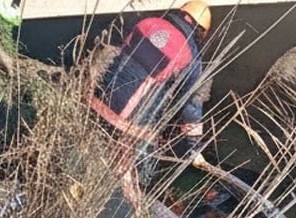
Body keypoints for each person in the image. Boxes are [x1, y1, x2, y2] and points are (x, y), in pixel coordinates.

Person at [90, 1, 213, 183]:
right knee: (142, 173)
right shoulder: (191, 56)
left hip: (98, 102)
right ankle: (138, 189)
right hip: (132, 125)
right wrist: (193, 148)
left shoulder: (147, 23)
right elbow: (190, 106)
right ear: (201, 31)